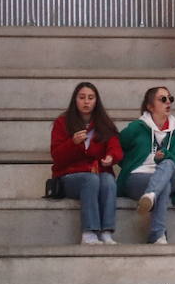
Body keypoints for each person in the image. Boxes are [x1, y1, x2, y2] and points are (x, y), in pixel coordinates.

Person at [50, 81, 122, 245]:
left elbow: (115, 147)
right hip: (69, 176)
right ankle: (89, 232)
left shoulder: (105, 124)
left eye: (90, 98)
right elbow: (57, 156)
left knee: (109, 181)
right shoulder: (62, 122)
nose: (86, 102)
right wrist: (73, 143)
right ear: (75, 100)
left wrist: (111, 157)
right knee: (90, 180)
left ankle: (106, 232)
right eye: (82, 97)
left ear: (96, 101)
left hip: (97, 172)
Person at [117, 86, 175, 245]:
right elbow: (116, 148)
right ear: (150, 106)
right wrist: (128, 163)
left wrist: (166, 156)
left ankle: (150, 195)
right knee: (164, 185)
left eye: (170, 99)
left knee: (168, 164)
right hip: (138, 176)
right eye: (163, 99)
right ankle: (158, 235)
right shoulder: (137, 127)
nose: (168, 102)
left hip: (169, 172)